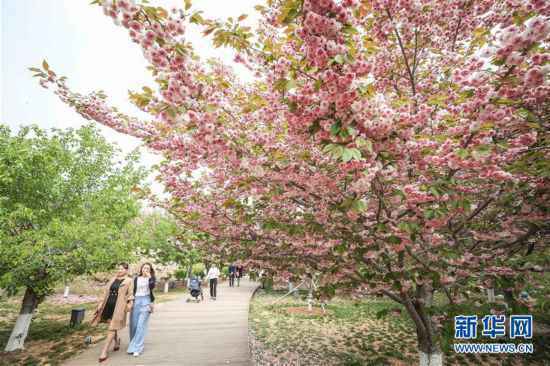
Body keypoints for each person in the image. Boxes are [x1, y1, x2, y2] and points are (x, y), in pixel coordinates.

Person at [92, 263, 134, 363]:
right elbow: (105, 292)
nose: (119, 270)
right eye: (118, 269)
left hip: (119, 307)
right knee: (111, 325)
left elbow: (130, 294)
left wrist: (130, 304)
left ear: (126, 270)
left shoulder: (129, 280)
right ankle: (117, 341)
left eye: (121, 269)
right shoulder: (112, 279)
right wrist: (100, 303)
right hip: (108, 306)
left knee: (111, 328)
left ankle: (104, 351)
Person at [127, 262, 156, 357]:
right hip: (136, 301)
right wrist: (130, 302)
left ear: (150, 270)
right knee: (134, 325)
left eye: (148, 268)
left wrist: (149, 277)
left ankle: (137, 348)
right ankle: (133, 345)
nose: (146, 270)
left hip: (146, 301)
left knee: (140, 325)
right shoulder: (136, 279)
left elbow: (152, 287)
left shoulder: (151, 279)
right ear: (141, 269)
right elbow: (132, 291)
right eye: (144, 268)